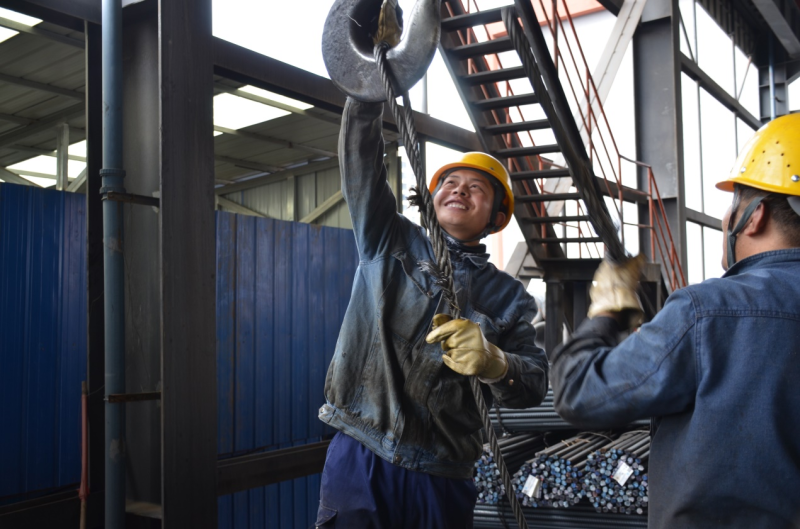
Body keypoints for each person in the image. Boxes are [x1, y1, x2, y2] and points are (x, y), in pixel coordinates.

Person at [547, 113, 800, 529]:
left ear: (754, 216)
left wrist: (606, 311)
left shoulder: (706, 311)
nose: (726, 218)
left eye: (733, 202)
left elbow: (580, 391)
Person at [315, 98, 549, 528]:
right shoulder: (388, 238)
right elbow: (360, 162)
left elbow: (533, 384)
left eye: (476, 188)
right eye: (450, 183)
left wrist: (496, 363)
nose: (460, 190)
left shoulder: (510, 297)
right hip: (362, 455)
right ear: (432, 198)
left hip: (441, 474)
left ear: (496, 216)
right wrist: (365, 93)